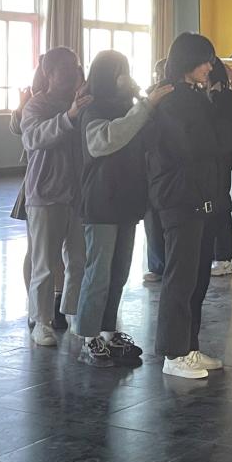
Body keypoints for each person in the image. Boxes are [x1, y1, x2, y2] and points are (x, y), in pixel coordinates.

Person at [148, 34, 232, 379]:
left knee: (197, 277)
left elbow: (220, 135)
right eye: (204, 61)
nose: (209, 67)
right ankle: (174, 353)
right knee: (181, 278)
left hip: (199, 197)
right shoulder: (174, 100)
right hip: (180, 197)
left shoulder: (194, 96)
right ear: (187, 61)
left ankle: (188, 346)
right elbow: (207, 142)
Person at [74, 50, 173, 367]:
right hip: (101, 200)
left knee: (118, 272)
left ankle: (108, 331)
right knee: (98, 273)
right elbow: (105, 141)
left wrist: (144, 101)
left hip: (128, 199)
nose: (125, 77)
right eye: (119, 71)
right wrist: (144, 107)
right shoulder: (94, 109)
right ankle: (87, 336)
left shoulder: (131, 107)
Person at [20, 47, 91, 346]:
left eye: (75, 67)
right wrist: (69, 116)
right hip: (45, 194)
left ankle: (72, 313)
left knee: (78, 259)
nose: (72, 73)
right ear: (49, 73)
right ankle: (41, 321)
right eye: (65, 68)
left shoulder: (83, 103)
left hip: (78, 193)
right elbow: (34, 137)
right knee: (44, 263)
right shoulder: (36, 104)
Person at [9, 60, 47, 326]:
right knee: (36, 250)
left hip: (62, 183)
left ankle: (55, 301)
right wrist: (22, 106)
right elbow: (18, 128)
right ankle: (36, 304)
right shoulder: (35, 103)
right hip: (37, 183)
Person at [206, 58, 232, 278]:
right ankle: (215, 254)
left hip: (220, 159)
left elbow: (221, 122)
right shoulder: (203, 95)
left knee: (220, 204)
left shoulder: (226, 97)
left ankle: (224, 257)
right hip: (208, 160)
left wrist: (215, 96)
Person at [142, 58, 169, 285]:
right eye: (157, 74)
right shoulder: (148, 98)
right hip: (150, 165)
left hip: (167, 164)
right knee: (152, 220)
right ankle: (158, 265)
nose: (159, 78)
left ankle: (168, 264)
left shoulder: (177, 97)